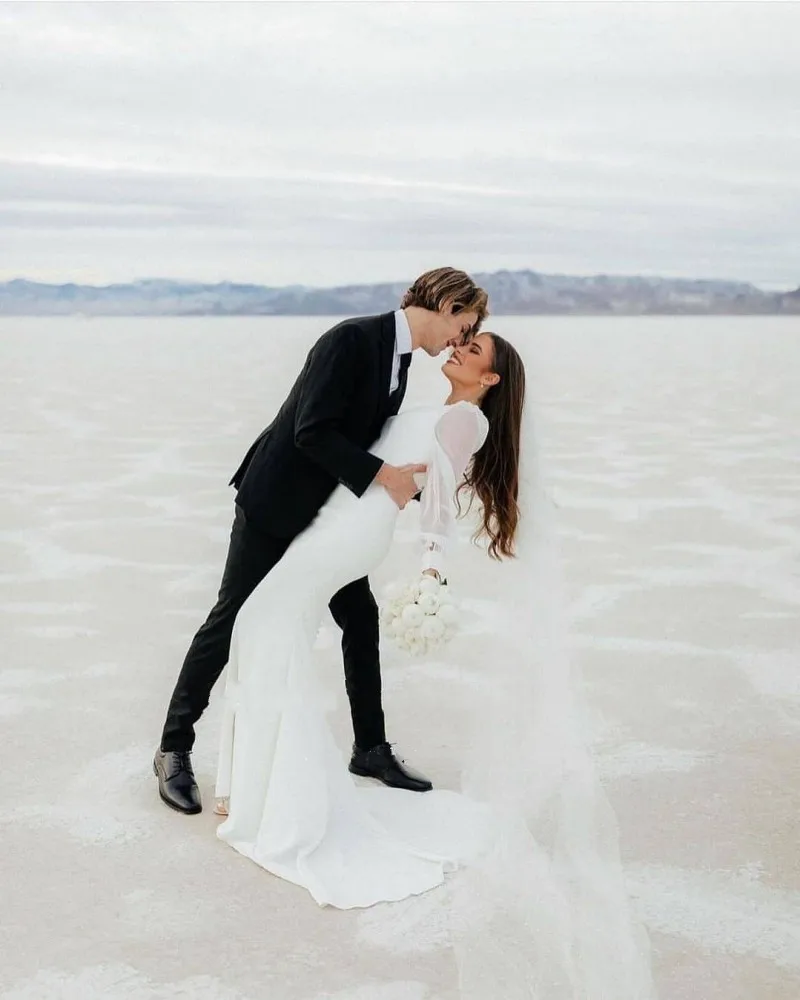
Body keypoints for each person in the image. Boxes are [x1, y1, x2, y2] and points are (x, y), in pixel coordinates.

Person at [154, 267, 489, 814]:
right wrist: (386, 476)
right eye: (464, 325)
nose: (460, 339)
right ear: (448, 304)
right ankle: (173, 749)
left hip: (328, 519)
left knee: (360, 618)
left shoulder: (399, 361)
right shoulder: (352, 339)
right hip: (275, 504)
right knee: (230, 618)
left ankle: (371, 749)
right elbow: (312, 431)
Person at [213, 332, 525, 908]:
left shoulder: (465, 421)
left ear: (490, 379)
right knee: (261, 628)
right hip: (336, 520)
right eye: (463, 341)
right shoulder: (438, 406)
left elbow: (437, 501)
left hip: (354, 533)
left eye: (474, 350)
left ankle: (272, 799)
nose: (459, 349)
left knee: (261, 623)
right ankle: (247, 789)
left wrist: (432, 571)